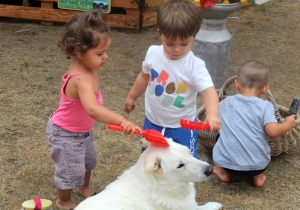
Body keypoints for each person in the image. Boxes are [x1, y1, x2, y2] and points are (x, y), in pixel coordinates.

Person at [46, 10, 142, 209]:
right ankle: (63, 200)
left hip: (82, 133)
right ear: (79, 52)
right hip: (66, 135)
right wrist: (121, 121)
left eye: (106, 51)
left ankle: (84, 186)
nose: (105, 57)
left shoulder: (87, 69)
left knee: (88, 162)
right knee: (69, 169)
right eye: (100, 53)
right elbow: (93, 110)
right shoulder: (81, 79)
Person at [123, 0, 221, 158]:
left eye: (184, 43)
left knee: (185, 161)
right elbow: (143, 76)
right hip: (153, 121)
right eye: (169, 43)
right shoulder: (153, 53)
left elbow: (209, 92)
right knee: (150, 158)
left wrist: (212, 115)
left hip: (182, 127)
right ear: (160, 33)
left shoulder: (194, 65)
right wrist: (132, 96)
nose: (176, 49)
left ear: (194, 37)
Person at [213, 60, 296, 188]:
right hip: (257, 166)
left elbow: (215, 120)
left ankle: (222, 171)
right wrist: (287, 124)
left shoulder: (225, 102)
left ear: (236, 83)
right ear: (265, 89)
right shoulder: (265, 106)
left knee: (221, 132)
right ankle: (258, 177)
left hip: (227, 163)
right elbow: (273, 132)